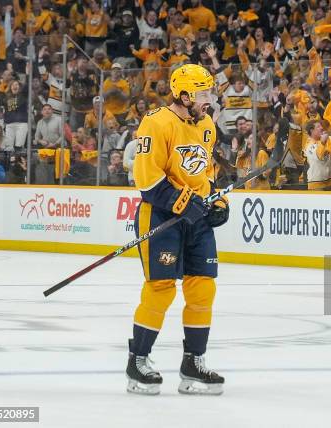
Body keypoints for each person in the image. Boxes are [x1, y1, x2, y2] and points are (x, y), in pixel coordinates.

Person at [127, 64, 228, 396]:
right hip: (161, 217)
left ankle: (193, 363)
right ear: (184, 95)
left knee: (203, 290)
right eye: (202, 94)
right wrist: (186, 201)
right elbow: (148, 181)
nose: (208, 100)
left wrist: (215, 203)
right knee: (161, 287)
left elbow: (206, 172)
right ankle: (138, 361)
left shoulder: (207, 125)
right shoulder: (156, 123)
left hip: (195, 220)